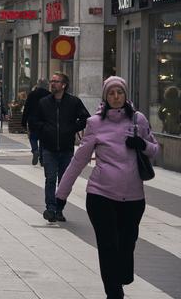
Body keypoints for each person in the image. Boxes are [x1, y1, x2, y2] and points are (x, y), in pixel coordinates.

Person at [56, 76, 158, 299]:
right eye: (111, 93)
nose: (115, 97)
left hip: (133, 196)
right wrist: (61, 194)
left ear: (125, 94)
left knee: (127, 242)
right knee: (108, 244)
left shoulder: (138, 120)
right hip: (100, 194)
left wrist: (142, 144)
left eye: (119, 92)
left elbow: (155, 150)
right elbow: (79, 160)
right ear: (105, 96)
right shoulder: (95, 123)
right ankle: (113, 293)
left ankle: (119, 277)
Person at [29, 73, 90, 223]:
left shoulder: (73, 102)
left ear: (64, 85)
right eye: (52, 81)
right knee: (50, 179)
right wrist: (44, 130)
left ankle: (59, 209)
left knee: (64, 181)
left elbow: (85, 118)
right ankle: (50, 208)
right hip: (48, 148)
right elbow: (33, 120)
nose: (53, 84)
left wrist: (71, 128)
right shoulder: (44, 102)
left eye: (56, 81)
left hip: (66, 148)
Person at [21, 79, 51, 166]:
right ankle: (42, 159)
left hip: (33, 119)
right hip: (45, 120)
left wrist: (23, 121)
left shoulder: (32, 94)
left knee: (33, 137)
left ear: (38, 84)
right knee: (43, 140)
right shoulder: (49, 95)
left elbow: (27, 108)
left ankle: (35, 150)